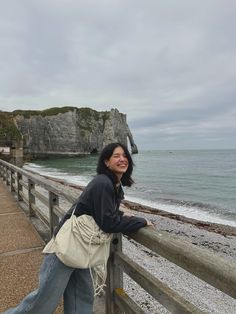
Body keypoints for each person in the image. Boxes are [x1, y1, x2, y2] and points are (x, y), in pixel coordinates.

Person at [4, 142, 153, 314]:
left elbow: (101, 212)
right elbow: (108, 223)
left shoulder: (113, 185)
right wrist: (140, 222)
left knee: (81, 299)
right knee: (42, 303)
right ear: (106, 162)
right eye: (116, 156)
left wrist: (120, 214)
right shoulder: (103, 183)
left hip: (84, 248)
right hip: (67, 248)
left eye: (125, 155)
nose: (122, 159)